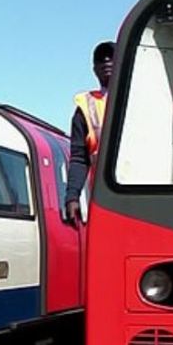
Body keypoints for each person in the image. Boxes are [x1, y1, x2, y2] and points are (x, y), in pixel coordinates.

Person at [65, 41, 114, 222]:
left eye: (112, 57)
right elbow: (79, 157)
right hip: (106, 197)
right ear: (94, 69)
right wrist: (72, 196)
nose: (107, 61)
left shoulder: (144, 96)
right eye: (101, 59)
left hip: (144, 193)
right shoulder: (85, 106)